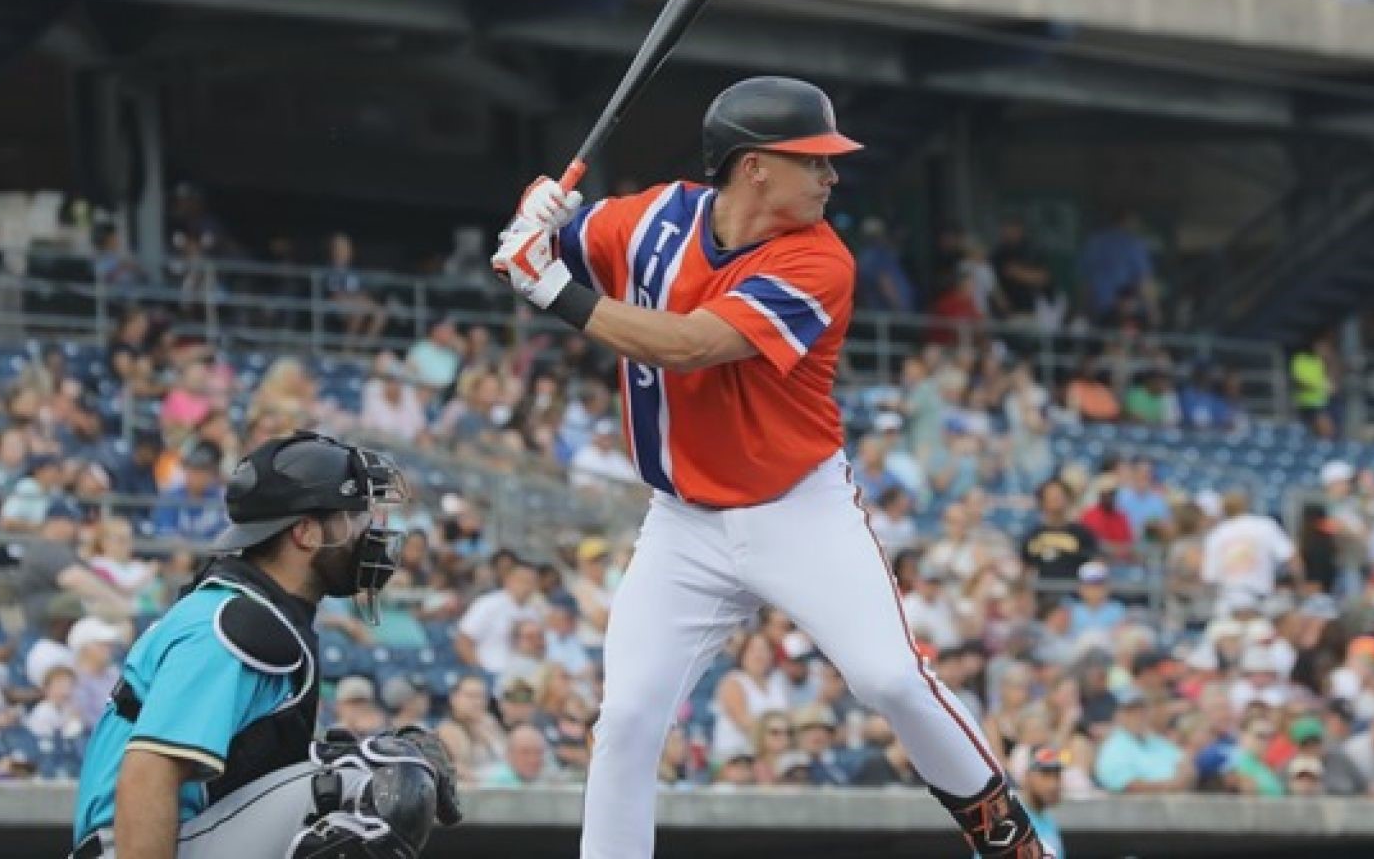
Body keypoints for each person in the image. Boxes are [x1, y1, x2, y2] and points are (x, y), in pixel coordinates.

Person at [491, 75, 1050, 858]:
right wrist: (537, 211)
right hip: (682, 521)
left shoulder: (821, 262)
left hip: (797, 509)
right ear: (754, 167)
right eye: (813, 161)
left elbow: (687, 347)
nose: (831, 176)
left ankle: (1014, 844)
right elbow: (550, 237)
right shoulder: (652, 216)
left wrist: (550, 287)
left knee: (890, 679)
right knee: (625, 720)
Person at [69, 432, 461, 859]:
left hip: (184, 836)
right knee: (386, 775)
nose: (370, 531)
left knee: (358, 763)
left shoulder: (258, 613)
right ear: (306, 533)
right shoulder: (233, 623)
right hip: (134, 848)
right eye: (355, 516)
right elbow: (147, 773)